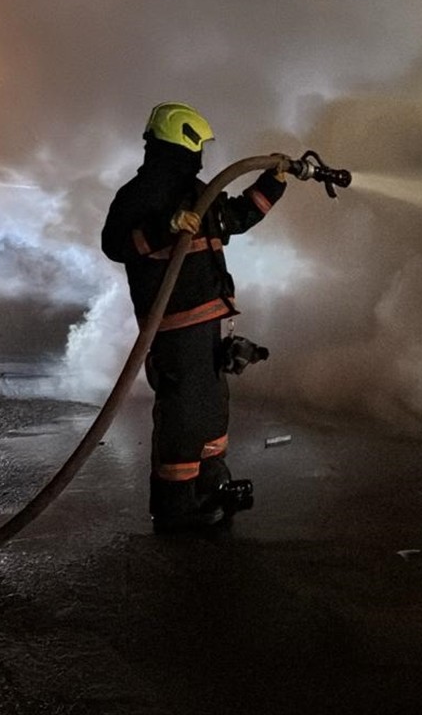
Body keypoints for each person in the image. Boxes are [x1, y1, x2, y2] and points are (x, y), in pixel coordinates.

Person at [101, 101, 290, 534]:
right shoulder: (140, 195)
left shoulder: (196, 192)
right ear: (181, 140)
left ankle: (208, 487)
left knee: (209, 408)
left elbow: (235, 217)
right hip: (173, 324)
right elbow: (115, 245)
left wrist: (272, 182)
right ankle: (175, 505)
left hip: (206, 321)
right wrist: (166, 228)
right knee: (183, 416)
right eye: (199, 145)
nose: (202, 154)